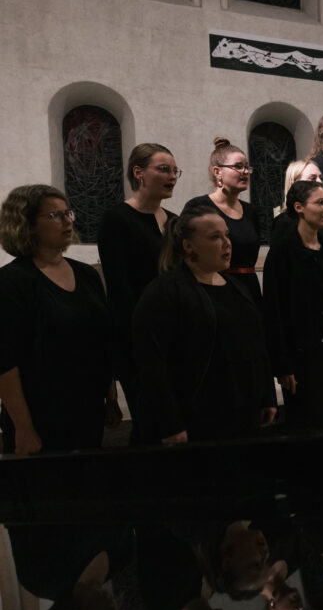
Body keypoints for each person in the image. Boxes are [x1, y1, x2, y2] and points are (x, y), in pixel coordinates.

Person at [132, 206, 276, 444]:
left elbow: (257, 344)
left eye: (227, 235)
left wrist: (267, 395)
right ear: (189, 246)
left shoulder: (236, 287)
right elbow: (151, 363)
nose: (227, 243)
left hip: (242, 412)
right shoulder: (166, 291)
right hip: (200, 416)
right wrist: (170, 422)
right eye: (215, 237)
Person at [0, 185, 119, 455]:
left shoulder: (87, 275)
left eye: (68, 213)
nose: (67, 221)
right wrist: (24, 427)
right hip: (40, 414)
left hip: (87, 407)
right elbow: (5, 361)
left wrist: (109, 397)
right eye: (54, 216)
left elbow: (103, 340)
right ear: (26, 225)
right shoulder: (12, 281)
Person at [97, 142, 178, 429]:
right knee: (152, 422)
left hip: (176, 333)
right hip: (139, 336)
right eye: (163, 169)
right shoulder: (117, 219)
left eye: (174, 171)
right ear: (139, 173)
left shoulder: (175, 222)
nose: (171, 177)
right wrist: (142, 338)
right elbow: (120, 289)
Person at [263, 180, 323, 429]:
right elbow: (274, 311)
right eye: (320, 203)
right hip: (302, 352)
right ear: (299, 207)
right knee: (306, 421)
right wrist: (283, 365)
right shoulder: (282, 252)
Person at [184, 137, 262, 303]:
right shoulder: (198, 206)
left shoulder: (251, 211)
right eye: (238, 166)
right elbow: (185, 255)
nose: (245, 172)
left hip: (249, 291)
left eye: (247, 167)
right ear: (217, 172)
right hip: (211, 290)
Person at [271, 159, 323, 243]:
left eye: (321, 178)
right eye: (313, 178)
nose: (320, 182)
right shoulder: (283, 222)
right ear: (295, 184)